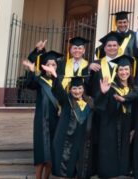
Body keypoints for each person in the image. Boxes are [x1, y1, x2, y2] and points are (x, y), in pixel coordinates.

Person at [43, 67, 96, 179]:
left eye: (80, 88)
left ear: (84, 89)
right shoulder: (66, 100)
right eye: (74, 88)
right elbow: (58, 90)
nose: (77, 91)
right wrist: (55, 76)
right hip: (67, 140)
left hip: (82, 140)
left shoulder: (90, 102)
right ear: (70, 89)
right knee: (66, 170)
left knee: (81, 169)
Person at [22, 51, 62, 179]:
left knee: (51, 150)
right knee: (41, 150)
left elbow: (62, 97)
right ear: (43, 66)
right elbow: (29, 84)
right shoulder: (39, 80)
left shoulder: (59, 80)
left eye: (54, 64)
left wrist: (55, 77)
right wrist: (32, 71)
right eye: (48, 64)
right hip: (41, 120)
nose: (51, 67)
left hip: (55, 120)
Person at [95, 56, 135, 179]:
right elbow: (98, 106)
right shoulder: (110, 87)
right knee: (110, 151)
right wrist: (102, 93)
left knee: (124, 150)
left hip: (127, 125)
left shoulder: (134, 89)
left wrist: (134, 127)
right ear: (116, 72)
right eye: (121, 70)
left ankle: (123, 170)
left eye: (126, 69)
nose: (124, 72)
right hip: (110, 124)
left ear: (130, 71)